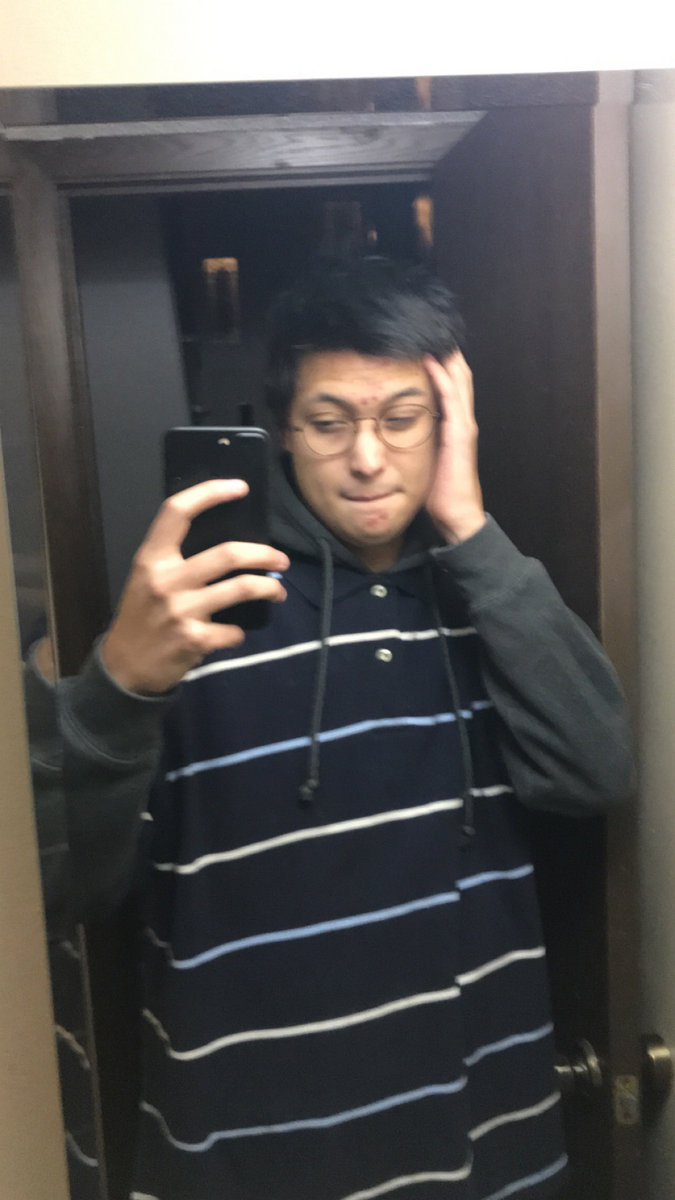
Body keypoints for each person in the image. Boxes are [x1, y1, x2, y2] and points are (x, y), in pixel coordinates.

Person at [49, 258, 633, 1200]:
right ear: (283, 428)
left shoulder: (490, 601)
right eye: (329, 423)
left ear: (448, 425)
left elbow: (595, 772)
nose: (367, 458)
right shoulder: (195, 613)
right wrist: (118, 684)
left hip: (485, 1151)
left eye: (401, 418)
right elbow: (70, 883)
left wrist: (470, 528)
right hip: (248, 1155)